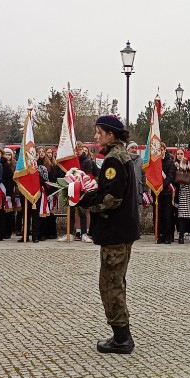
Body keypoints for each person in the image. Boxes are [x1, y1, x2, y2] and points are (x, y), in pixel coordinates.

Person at [77, 115, 141, 353]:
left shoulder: (114, 160)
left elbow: (112, 199)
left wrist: (86, 202)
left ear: (110, 135)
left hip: (116, 231)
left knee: (111, 284)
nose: (95, 136)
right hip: (121, 231)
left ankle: (122, 338)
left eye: (98, 132)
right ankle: (121, 334)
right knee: (114, 282)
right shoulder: (120, 156)